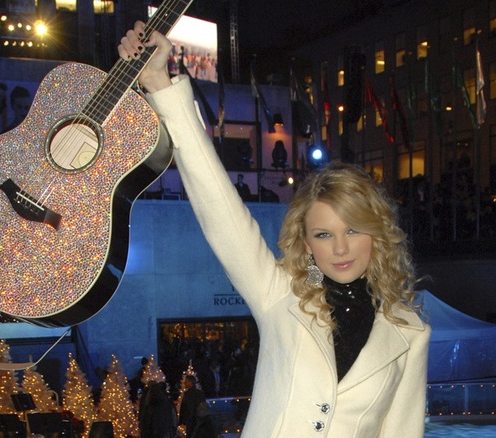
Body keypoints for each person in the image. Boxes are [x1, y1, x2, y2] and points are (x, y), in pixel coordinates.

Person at [119, 22, 430, 437]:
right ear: (306, 242)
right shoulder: (281, 292)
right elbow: (219, 208)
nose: (340, 248)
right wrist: (159, 82)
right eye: (323, 234)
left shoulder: (409, 330)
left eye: (353, 230)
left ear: (377, 233)